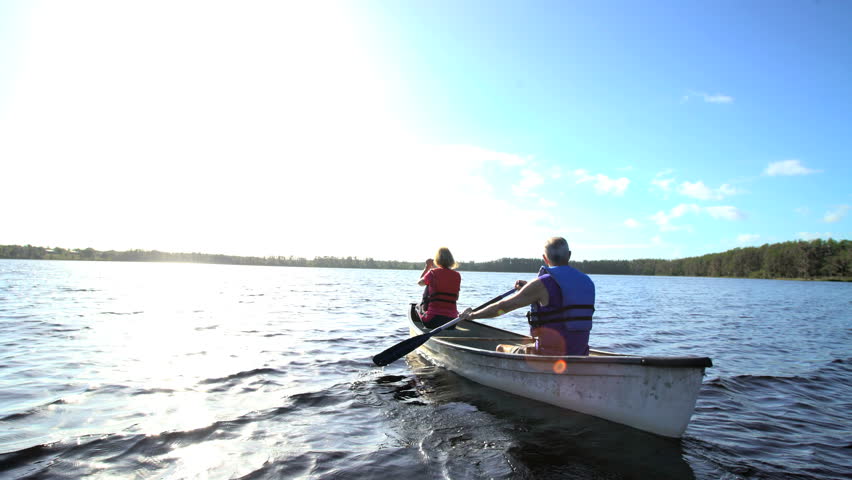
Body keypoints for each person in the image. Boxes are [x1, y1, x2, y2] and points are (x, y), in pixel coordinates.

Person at [458, 237, 595, 355]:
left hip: (549, 355)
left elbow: (503, 307)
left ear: (545, 258)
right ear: (569, 255)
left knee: (501, 348)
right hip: (580, 353)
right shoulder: (587, 281)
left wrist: (472, 315)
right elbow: (560, 297)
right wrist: (528, 289)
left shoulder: (541, 284)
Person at [417, 247, 461, 328]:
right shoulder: (457, 275)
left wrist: (427, 267)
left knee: (417, 307)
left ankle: (424, 312)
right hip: (451, 322)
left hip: (432, 320)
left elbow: (420, 283)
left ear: (437, 260)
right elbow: (456, 296)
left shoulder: (432, 273)